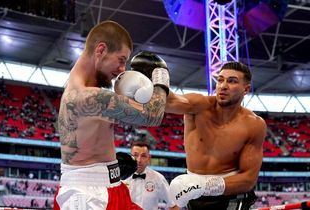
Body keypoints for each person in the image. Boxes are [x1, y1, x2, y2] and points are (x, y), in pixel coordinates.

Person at [54, 20, 170, 210]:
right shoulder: (87, 97)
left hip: (108, 186)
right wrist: (160, 77)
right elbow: (153, 115)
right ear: (101, 50)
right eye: (121, 59)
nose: (122, 69)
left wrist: (112, 168)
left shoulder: (86, 88)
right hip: (88, 197)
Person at [165, 61, 267, 210]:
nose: (223, 86)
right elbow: (169, 102)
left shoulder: (254, 124)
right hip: (192, 193)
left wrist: (205, 186)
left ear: (246, 89)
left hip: (230, 195)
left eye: (232, 81)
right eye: (220, 80)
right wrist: (157, 81)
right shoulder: (198, 105)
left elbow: (248, 179)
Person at [123, 141, 178, 210]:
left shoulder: (158, 178)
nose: (139, 160)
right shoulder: (121, 178)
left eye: (143, 156)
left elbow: (173, 205)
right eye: (135, 155)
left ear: (148, 158)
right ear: (130, 157)